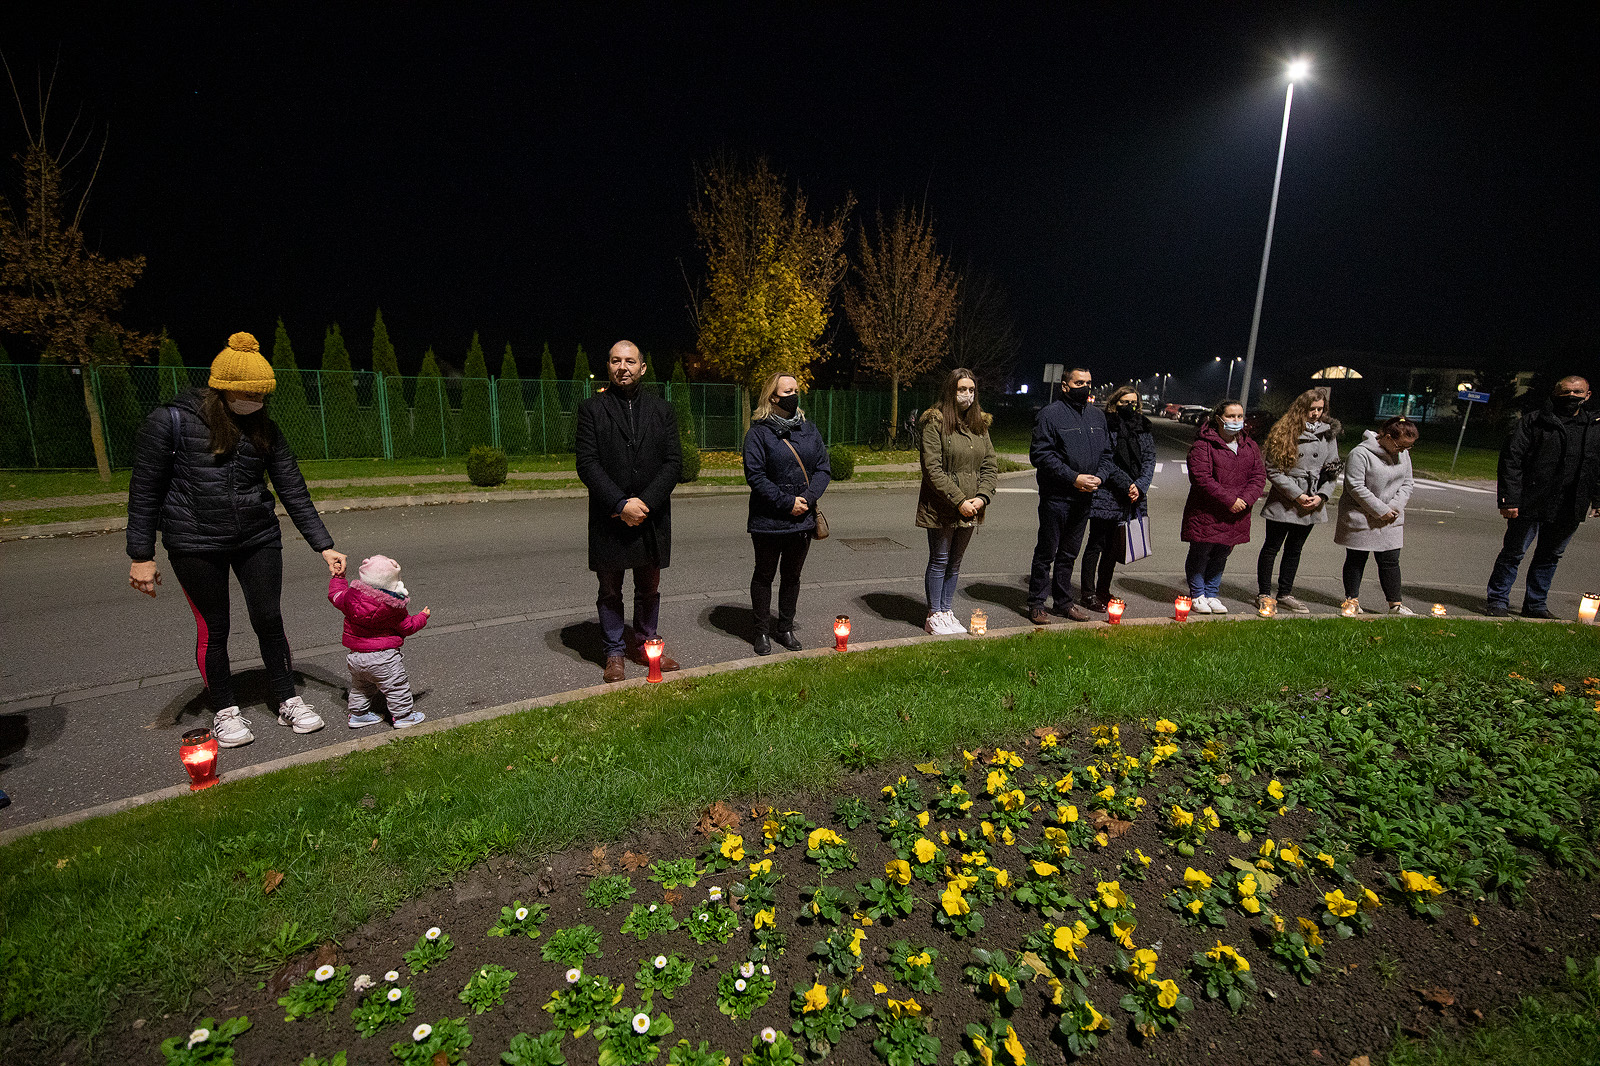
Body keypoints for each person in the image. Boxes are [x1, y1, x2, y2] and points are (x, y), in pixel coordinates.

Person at [126, 331, 346, 747]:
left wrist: (324, 544)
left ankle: (286, 697)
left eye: (262, 396)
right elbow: (145, 488)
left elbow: (292, 488)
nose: (256, 404)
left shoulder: (265, 428)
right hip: (193, 542)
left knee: (268, 617)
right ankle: (225, 709)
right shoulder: (170, 421)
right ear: (221, 388)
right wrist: (141, 554)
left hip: (257, 536)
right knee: (216, 627)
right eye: (247, 395)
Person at [575, 340, 682, 682]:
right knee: (609, 590)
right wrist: (621, 504)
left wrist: (644, 503)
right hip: (611, 518)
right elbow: (587, 464)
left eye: (630, 361)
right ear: (608, 366)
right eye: (616, 361)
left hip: (651, 518)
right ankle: (614, 653)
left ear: (642, 367)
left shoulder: (662, 410)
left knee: (649, 587)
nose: (623, 367)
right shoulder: (592, 410)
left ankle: (647, 642)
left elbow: (673, 463)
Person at [1486, 376, 1600, 618]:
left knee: (1550, 556)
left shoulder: (1594, 426)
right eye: (1566, 392)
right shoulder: (1534, 421)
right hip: (1531, 500)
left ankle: (1535, 605)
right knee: (1513, 553)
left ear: (1587, 395)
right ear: (1555, 393)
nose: (1572, 397)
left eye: (1578, 392)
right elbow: (1511, 460)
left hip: (1570, 504)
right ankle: (1498, 601)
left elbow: (1596, 466)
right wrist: (1509, 499)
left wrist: (1597, 499)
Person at [742, 372, 831, 654]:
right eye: (787, 391)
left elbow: (822, 468)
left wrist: (806, 498)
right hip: (768, 520)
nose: (793, 396)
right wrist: (786, 502)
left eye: (795, 390)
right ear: (773, 397)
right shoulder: (758, 432)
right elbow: (755, 476)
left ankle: (786, 627)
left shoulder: (808, 429)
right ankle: (762, 632)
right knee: (764, 575)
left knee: (792, 576)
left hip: (801, 519)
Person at [1027, 367, 1113, 624]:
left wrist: (1101, 476)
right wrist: (1072, 478)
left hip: (1085, 497)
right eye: (1079, 382)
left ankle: (1064, 602)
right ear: (1065, 386)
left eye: (1088, 382)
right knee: (1046, 552)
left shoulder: (1097, 417)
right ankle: (1036, 603)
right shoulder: (1050, 415)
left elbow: (1108, 454)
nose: (1085, 387)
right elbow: (1040, 455)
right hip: (1057, 497)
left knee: (1069, 554)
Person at [917, 368, 999, 634]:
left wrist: (982, 498)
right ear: (950, 390)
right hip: (942, 506)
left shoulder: (979, 425)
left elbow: (989, 465)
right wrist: (959, 500)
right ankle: (934, 614)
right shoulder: (935, 422)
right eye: (962, 389)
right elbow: (933, 469)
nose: (967, 395)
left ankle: (947, 610)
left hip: (971, 506)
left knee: (955, 562)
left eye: (971, 390)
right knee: (940, 559)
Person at [1255, 388, 1341, 613]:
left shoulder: (1328, 434)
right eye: (1311, 409)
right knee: (1272, 547)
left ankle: (1285, 593)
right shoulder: (1284, 430)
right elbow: (1273, 470)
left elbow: (1333, 469)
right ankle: (1264, 593)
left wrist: (1322, 496)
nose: (1315, 413)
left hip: (1313, 498)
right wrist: (1297, 495)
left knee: (1295, 549)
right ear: (1301, 408)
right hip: (1285, 499)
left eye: (1320, 409)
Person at [1180, 400, 1267, 614]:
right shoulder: (1204, 444)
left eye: (1239, 416)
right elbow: (1202, 479)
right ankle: (1198, 594)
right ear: (1218, 418)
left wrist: (1245, 500)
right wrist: (1230, 500)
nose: (1236, 420)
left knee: (1221, 554)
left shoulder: (1250, 445)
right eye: (1231, 416)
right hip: (1208, 511)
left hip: (1236, 512)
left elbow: (1258, 476)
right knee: (1201, 553)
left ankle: (1211, 594)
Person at [328, 554, 430, 728]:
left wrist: (339, 577)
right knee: (396, 687)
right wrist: (422, 617)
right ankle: (403, 716)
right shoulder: (392, 607)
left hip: (357, 657)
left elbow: (335, 595)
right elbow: (408, 627)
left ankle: (358, 715)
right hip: (384, 658)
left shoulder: (349, 598)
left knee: (361, 687)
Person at [1080, 385, 1155, 612]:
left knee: (1115, 547)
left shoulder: (1143, 427)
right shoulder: (1106, 425)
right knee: (1097, 543)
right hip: (1108, 493)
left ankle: (1104, 589)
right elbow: (1106, 460)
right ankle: (1088, 593)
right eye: (1124, 402)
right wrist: (1127, 484)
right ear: (1115, 403)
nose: (1129, 406)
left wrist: (1140, 486)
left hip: (1132, 496)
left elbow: (1150, 459)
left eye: (1133, 402)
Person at [1335, 416, 1418, 614]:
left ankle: (1395, 605)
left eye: (1408, 448)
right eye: (1401, 446)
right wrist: (1380, 510)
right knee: (1356, 558)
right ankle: (1352, 600)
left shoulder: (1403, 454)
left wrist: (1394, 508)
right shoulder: (1360, 454)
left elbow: (1407, 483)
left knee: (1390, 560)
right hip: (1361, 516)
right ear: (1388, 437)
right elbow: (1355, 486)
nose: (1404, 451)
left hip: (1392, 517)